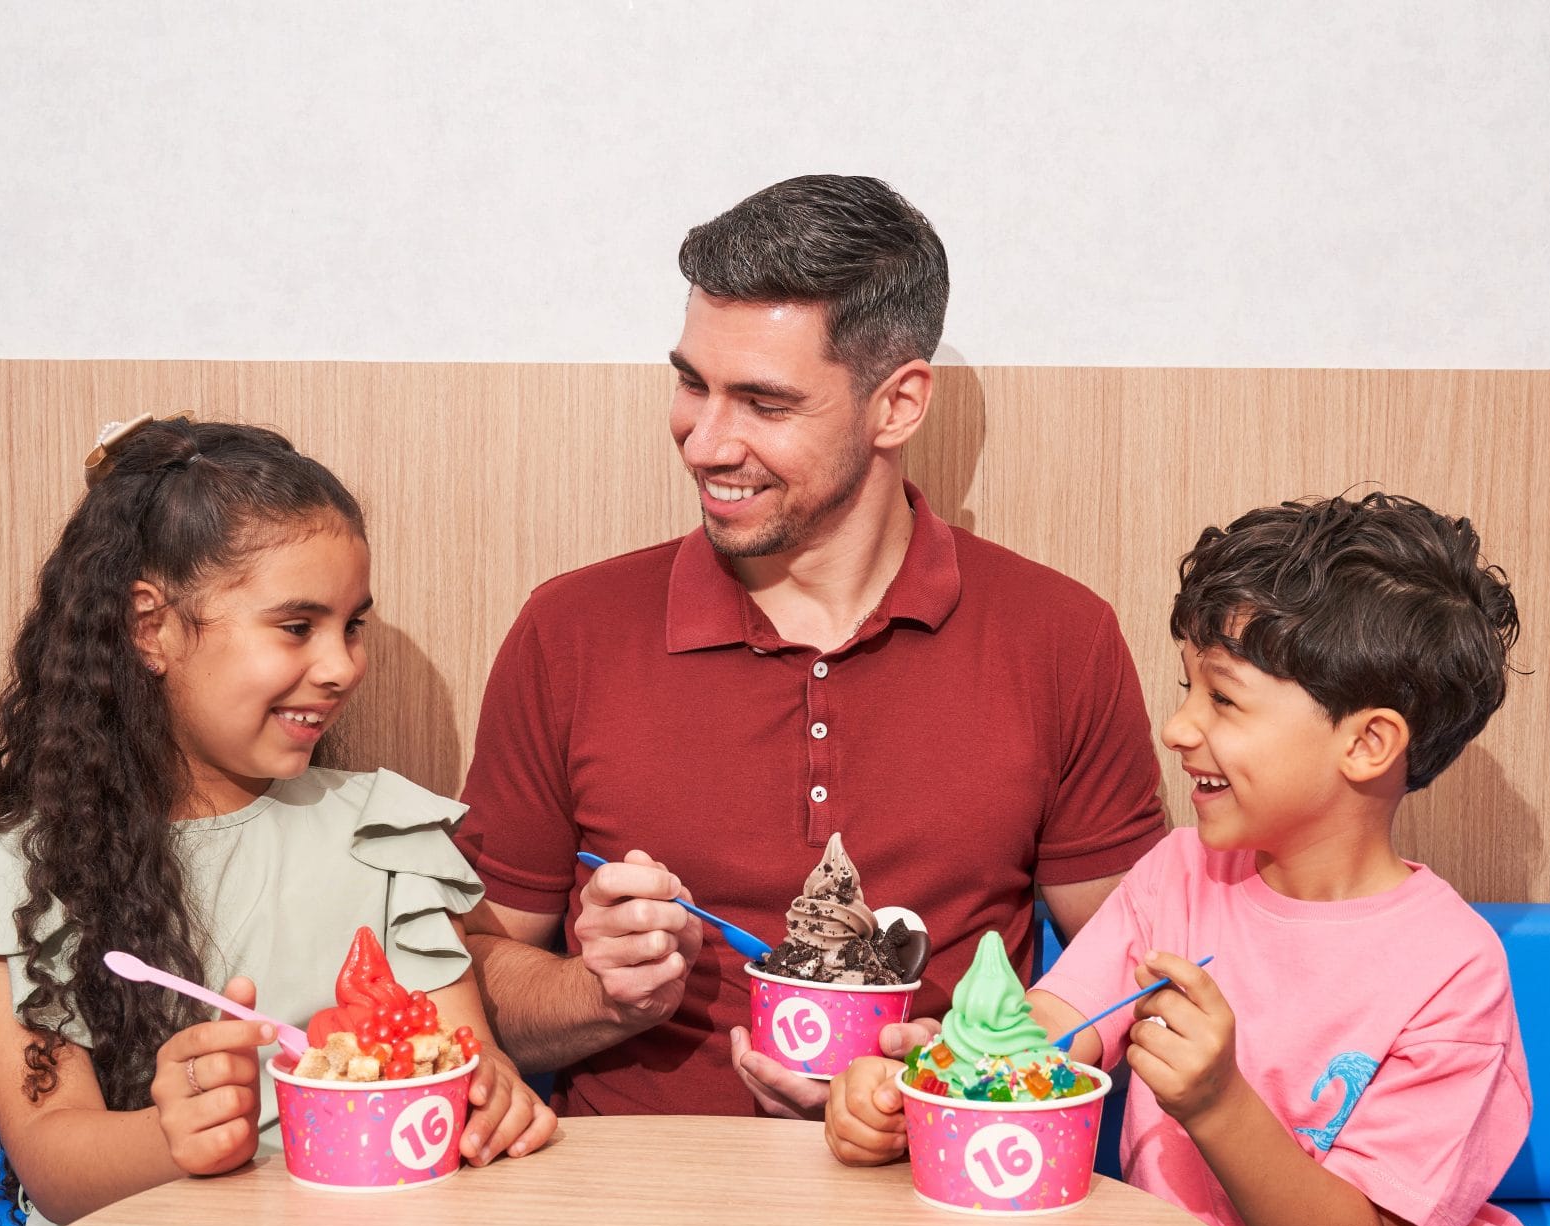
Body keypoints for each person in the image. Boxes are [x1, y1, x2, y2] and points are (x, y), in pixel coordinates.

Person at [456, 174, 1166, 1119]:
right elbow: (470, 983)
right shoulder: (568, 632)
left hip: (944, 1205)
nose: (705, 442)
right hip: (635, 1216)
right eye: (691, 383)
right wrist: (603, 992)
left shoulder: (1059, 637)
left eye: (764, 401)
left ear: (898, 404)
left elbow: (1136, 963)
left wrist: (953, 1075)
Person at [825, 493, 1550, 1226]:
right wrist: (948, 1076)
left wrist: (1219, 1102)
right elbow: (1047, 1033)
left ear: (1368, 744)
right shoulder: (1177, 877)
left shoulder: (1451, 969)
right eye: (1188, 687)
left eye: (1224, 698)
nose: (1179, 727)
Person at [0, 415, 553, 1226]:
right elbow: (53, 1160)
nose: (342, 665)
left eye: (353, 626)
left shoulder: (387, 836)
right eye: (298, 626)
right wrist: (173, 1136)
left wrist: (494, 1098)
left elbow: (459, 1065)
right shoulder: (6, 874)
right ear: (149, 627)